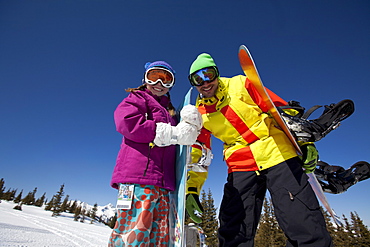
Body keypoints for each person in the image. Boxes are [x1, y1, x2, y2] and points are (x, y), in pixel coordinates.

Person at [185, 53, 333, 246]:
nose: (205, 82)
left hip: (277, 153)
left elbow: (281, 110)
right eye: (198, 78)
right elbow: (199, 153)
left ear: (217, 73)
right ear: (193, 83)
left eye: (209, 74)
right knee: (233, 228)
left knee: (302, 220)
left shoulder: (241, 84)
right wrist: (192, 189)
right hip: (240, 165)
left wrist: (304, 141)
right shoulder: (200, 113)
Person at [108, 61, 202, 246]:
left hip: (164, 185)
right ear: (145, 78)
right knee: (134, 234)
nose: (159, 82)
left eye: (166, 79)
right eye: (154, 76)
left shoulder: (172, 112)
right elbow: (126, 122)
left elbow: (177, 146)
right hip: (138, 181)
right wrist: (171, 132)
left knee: (159, 238)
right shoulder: (137, 98)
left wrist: (190, 131)